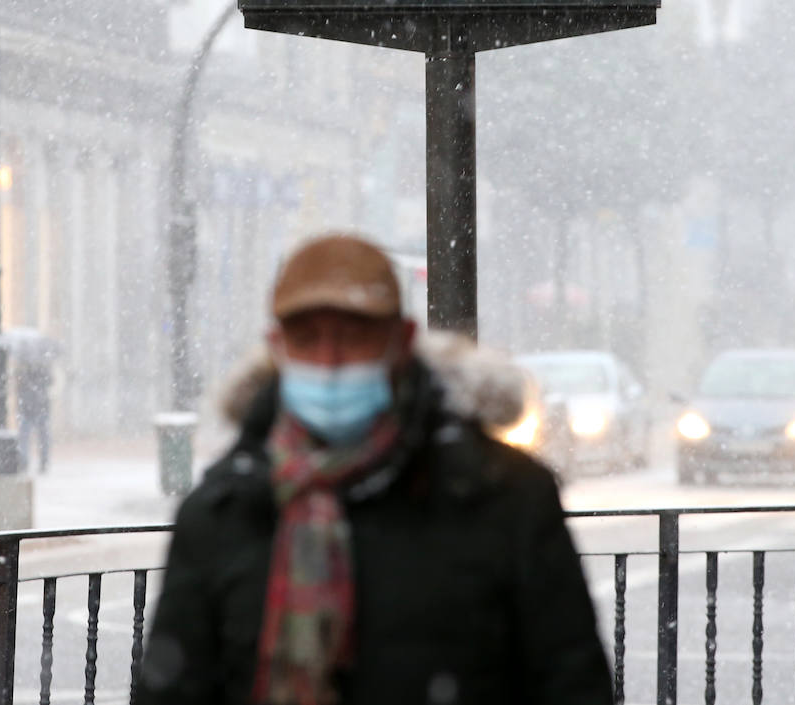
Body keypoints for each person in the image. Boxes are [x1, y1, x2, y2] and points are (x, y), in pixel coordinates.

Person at [139, 233, 613, 705]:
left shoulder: (503, 495)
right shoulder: (223, 511)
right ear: (278, 347)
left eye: (354, 335)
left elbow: (570, 679)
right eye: (308, 339)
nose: (330, 361)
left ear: (401, 341)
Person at [15, 357, 53, 473]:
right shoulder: (24, 371)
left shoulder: (40, 370)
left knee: (37, 437)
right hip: (31, 409)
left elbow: (50, 381)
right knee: (31, 437)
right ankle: (28, 461)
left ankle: (40, 461)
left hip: (36, 408)